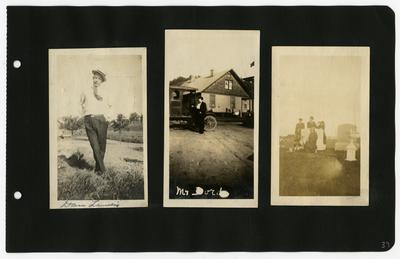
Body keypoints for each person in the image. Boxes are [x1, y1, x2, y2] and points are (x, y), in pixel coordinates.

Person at [80, 69, 112, 175]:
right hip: (89, 120)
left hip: (101, 120)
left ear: (102, 81)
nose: (96, 80)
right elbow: (81, 102)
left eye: (98, 78)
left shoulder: (106, 92)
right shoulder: (85, 90)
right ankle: (103, 170)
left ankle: (98, 169)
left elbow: (110, 106)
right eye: (94, 77)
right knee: (95, 146)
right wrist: (85, 113)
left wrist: (108, 118)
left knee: (101, 147)